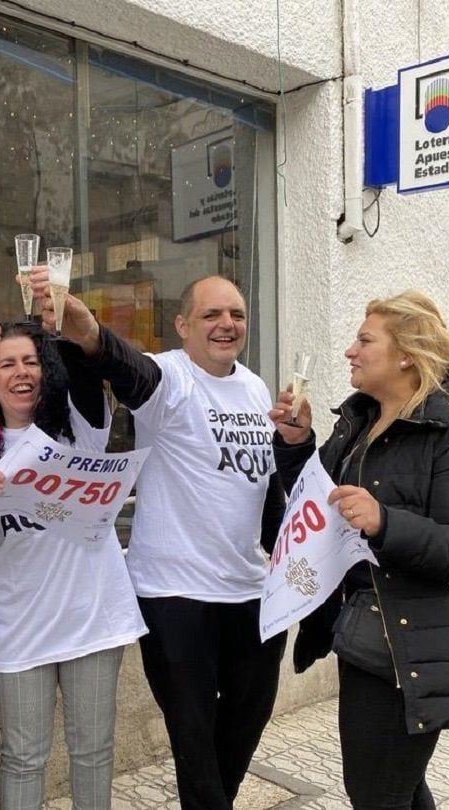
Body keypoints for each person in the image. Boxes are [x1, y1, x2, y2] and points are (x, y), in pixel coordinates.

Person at [35, 273, 286, 809]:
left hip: (250, 593)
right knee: (194, 745)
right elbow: (128, 369)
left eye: (237, 315)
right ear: (182, 326)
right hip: (175, 597)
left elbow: (264, 488)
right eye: (212, 315)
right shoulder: (170, 378)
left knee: (242, 731)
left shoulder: (256, 388)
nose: (227, 325)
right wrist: (92, 333)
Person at [269, 291, 449, 809]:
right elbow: (311, 508)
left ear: (406, 353)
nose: (349, 352)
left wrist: (385, 522)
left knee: (377, 793)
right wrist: (295, 444)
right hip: (365, 635)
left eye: (364, 340)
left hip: (418, 642)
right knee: (394, 787)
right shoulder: (357, 426)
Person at [0, 320, 147, 810]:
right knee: (22, 756)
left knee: (92, 751)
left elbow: (83, 363)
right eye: (6, 364)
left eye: (31, 361)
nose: (21, 373)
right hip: (21, 624)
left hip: (92, 617)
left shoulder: (80, 429)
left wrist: (56, 312)